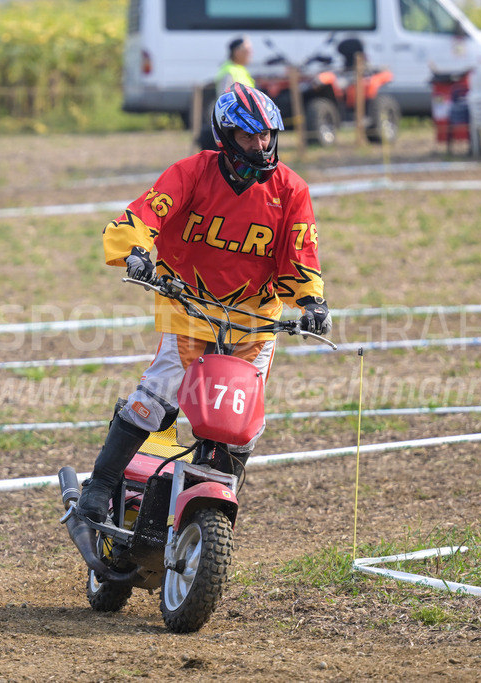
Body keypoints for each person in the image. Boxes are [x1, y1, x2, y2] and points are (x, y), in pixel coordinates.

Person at [77, 83, 331, 523]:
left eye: (267, 135)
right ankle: (100, 486)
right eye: (249, 137)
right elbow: (144, 214)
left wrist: (313, 302)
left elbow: (300, 255)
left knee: (241, 424)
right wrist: (136, 252)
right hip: (189, 310)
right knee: (156, 399)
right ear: (226, 137)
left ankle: (212, 514)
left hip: (256, 322)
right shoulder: (192, 172)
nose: (261, 145)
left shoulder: (291, 190)